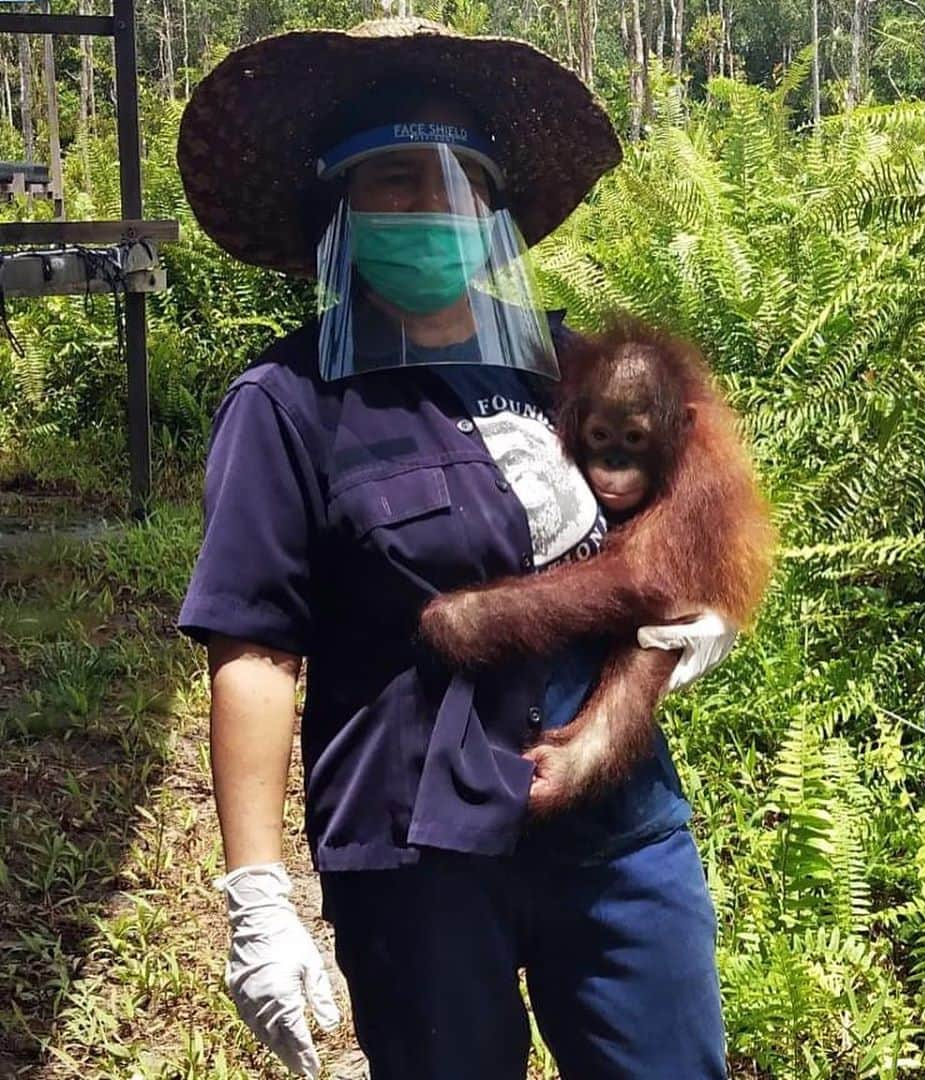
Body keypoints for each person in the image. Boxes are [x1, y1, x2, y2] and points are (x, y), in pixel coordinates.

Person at [177, 17, 734, 1080]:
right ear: (338, 210)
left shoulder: (582, 371)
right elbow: (254, 649)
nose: (425, 207)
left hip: (614, 823)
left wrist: (708, 613)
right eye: (389, 181)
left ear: (491, 209)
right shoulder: (288, 404)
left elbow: (688, 520)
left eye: (452, 182)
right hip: (414, 850)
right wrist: (256, 894)